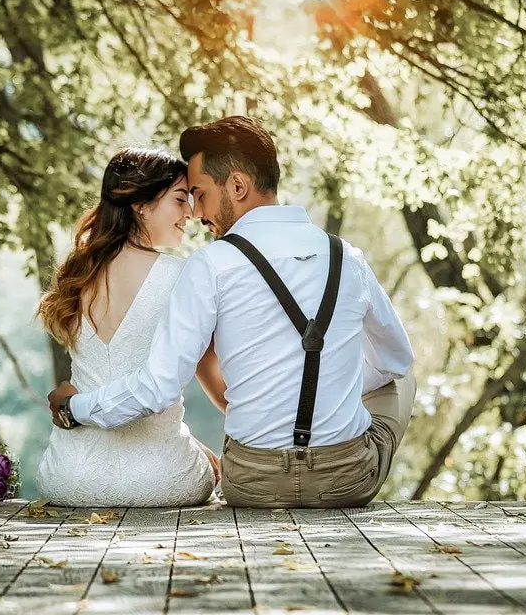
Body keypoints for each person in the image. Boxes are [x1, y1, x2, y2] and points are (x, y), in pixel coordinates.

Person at [48, 116, 416, 508]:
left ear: (237, 186)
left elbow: (159, 385)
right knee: (401, 376)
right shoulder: (349, 258)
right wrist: (331, 388)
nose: (196, 212)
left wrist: (75, 408)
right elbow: (395, 360)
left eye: (199, 193)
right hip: (347, 481)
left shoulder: (209, 264)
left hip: (251, 484)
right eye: (185, 197)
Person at [35, 146, 220, 507]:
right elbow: (205, 386)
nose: (191, 213)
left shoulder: (77, 273)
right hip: (162, 480)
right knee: (210, 468)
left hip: (68, 478)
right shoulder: (182, 274)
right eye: (180, 199)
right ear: (140, 204)